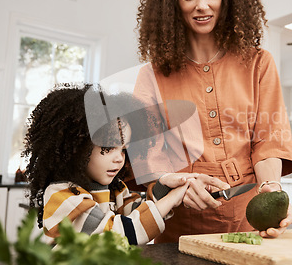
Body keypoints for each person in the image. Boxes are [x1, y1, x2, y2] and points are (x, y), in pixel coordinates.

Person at [134, 0, 292, 243]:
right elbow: (147, 159)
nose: (201, 5)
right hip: (180, 227)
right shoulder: (151, 76)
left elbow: (269, 139)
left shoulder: (259, 63)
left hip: (248, 218)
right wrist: (173, 184)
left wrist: (271, 187)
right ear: (173, 3)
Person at [24, 83, 190, 245]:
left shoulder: (115, 190)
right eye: (108, 148)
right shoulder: (62, 196)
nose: (119, 158)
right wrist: (171, 200)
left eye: (124, 149)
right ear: (79, 147)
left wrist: (165, 186)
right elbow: (117, 235)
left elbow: (140, 211)